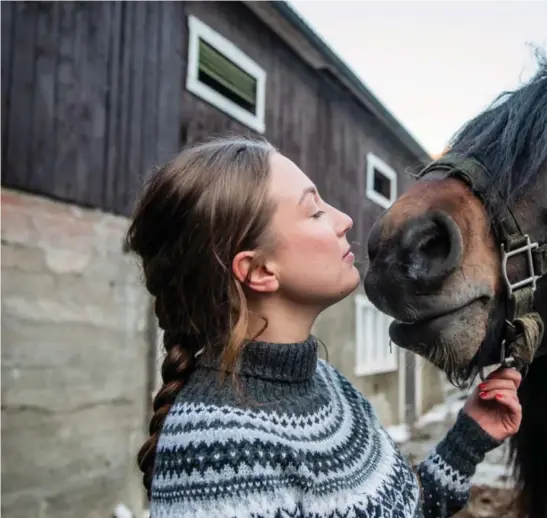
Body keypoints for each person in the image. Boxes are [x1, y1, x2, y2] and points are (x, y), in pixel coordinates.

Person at [126, 136, 523, 518]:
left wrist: (469, 436)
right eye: (315, 211)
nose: (344, 219)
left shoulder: (326, 384)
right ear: (259, 270)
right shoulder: (217, 454)